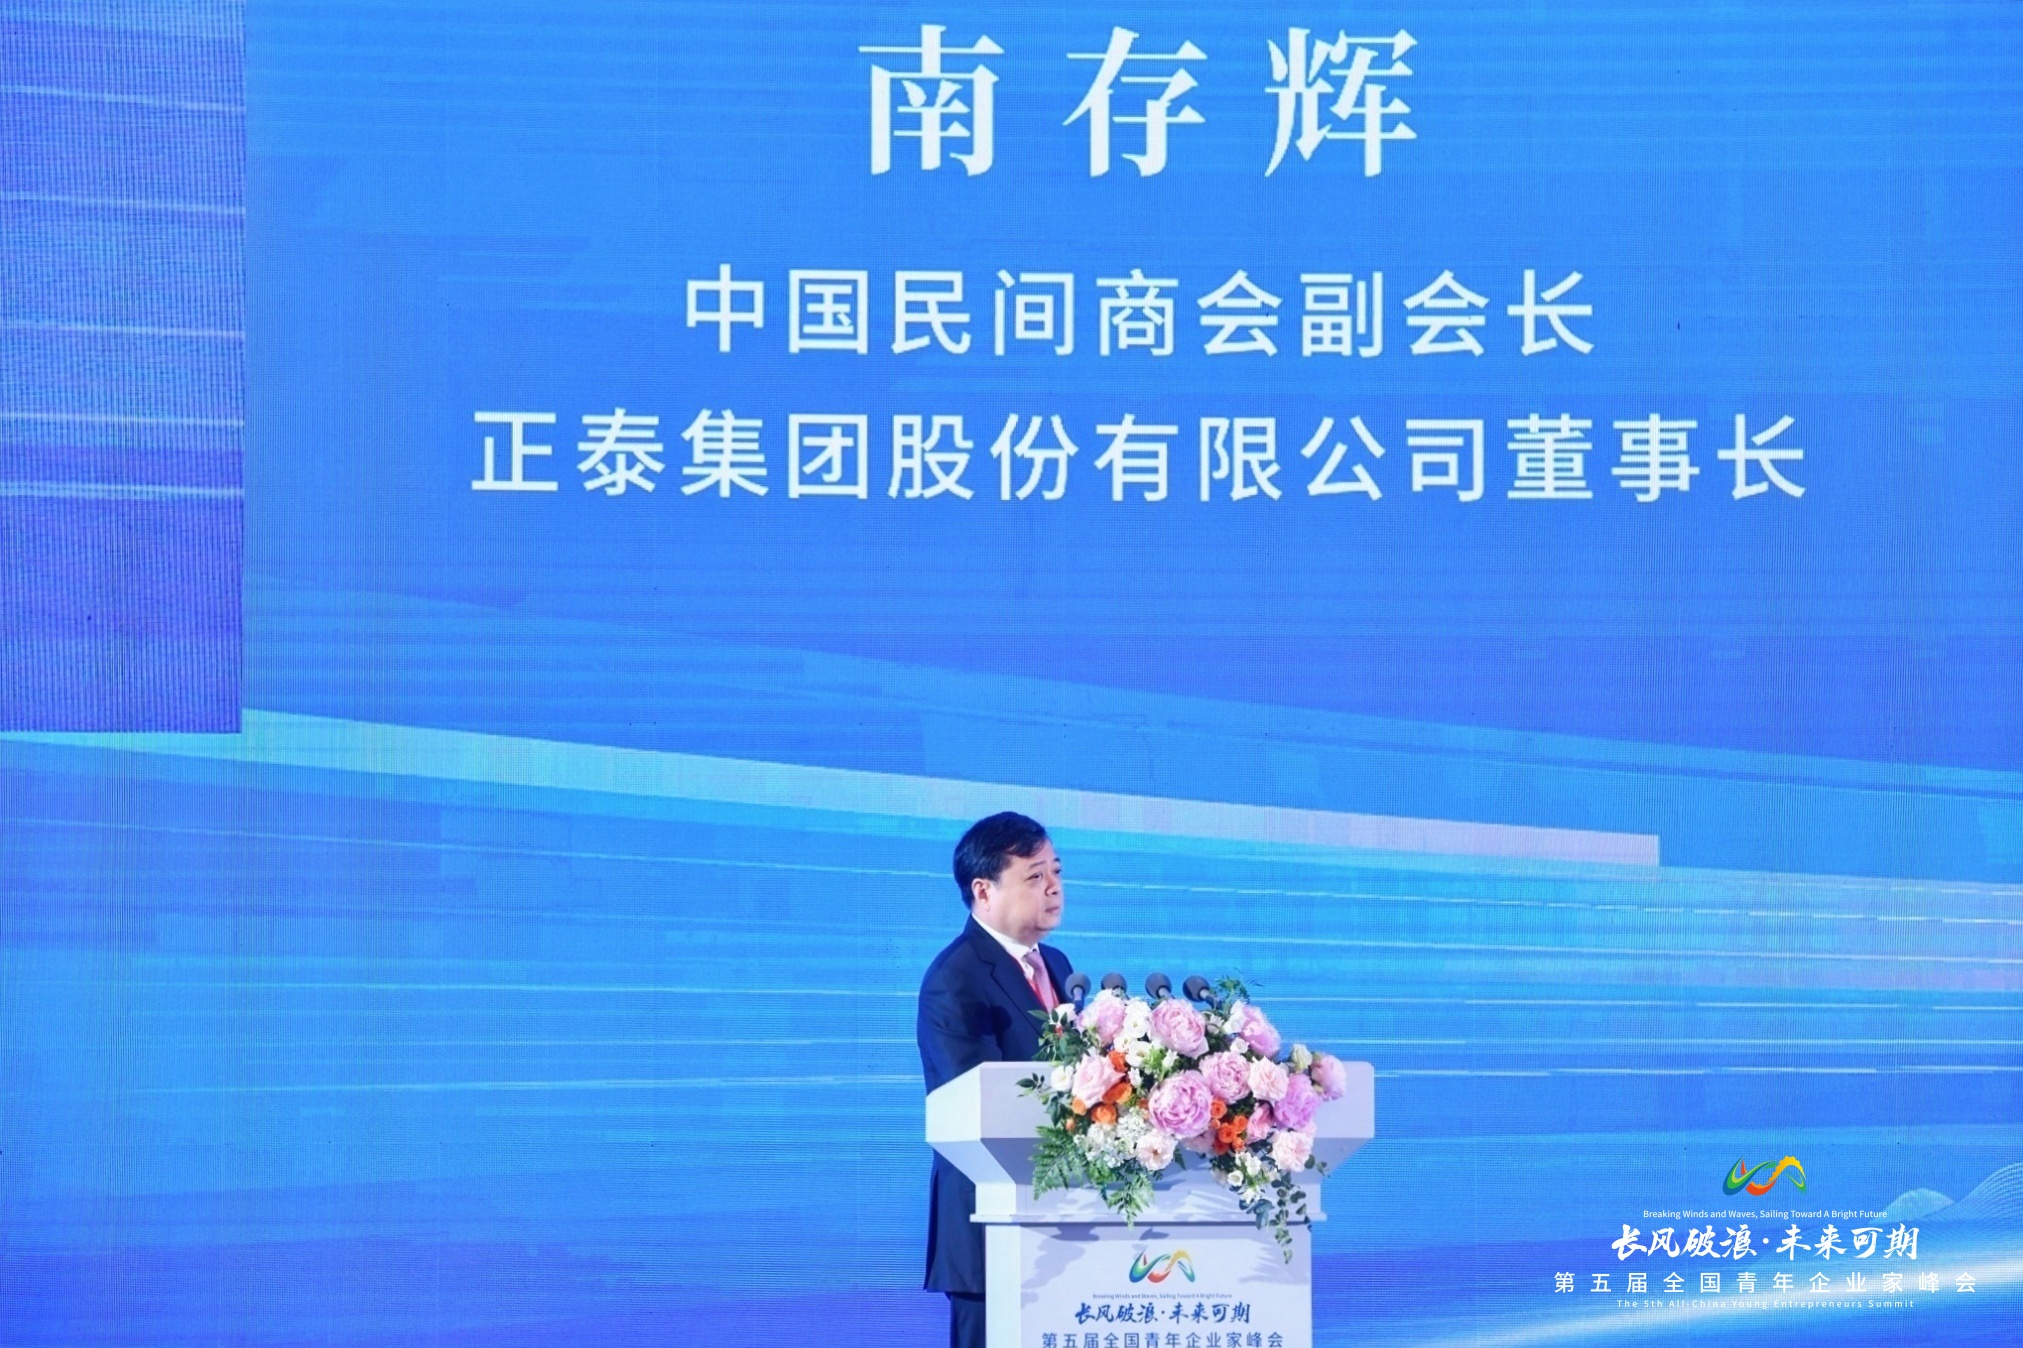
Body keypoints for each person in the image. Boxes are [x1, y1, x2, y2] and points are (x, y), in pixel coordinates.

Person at [918, 812, 1074, 1348]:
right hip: (989, 1226)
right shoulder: (955, 978)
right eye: (1034, 876)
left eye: (1056, 871)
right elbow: (979, 1102)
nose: (1053, 887)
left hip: (1062, 1219)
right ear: (983, 890)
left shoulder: (1056, 963)